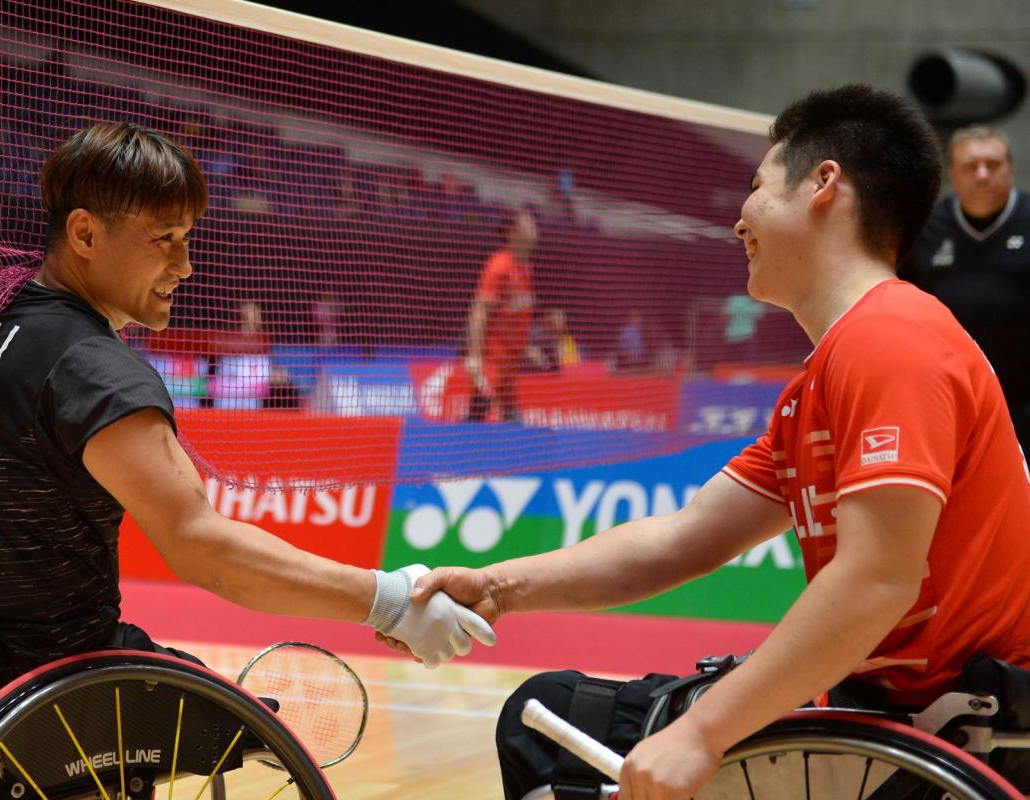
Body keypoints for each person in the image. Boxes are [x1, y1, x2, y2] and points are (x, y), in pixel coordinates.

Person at [392, 86, 1030, 800]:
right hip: (891, 718)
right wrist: (497, 588)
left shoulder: (892, 340)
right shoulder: (815, 388)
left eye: (756, 188)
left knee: (546, 728)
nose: (737, 222)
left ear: (824, 184)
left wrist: (703, 733)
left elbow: (877, 581)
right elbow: (685, 538)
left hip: (942, 739)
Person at [0, 122, 494, 797]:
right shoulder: (93, 367)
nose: (185, 265)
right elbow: (201, 546)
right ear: (86, 235)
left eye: (189, 239)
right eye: (165, 239)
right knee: (235, 721)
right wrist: (389, 602)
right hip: (41, 708)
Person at [900, 125, 1030, 454]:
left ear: (1011, 168)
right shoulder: (925, 229)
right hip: (952, 404)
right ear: (953, 175)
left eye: (993, 164)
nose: (983, 175)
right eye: (971, 166)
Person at [466, 209, 537, 422]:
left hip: (512, 362)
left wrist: (527, 347)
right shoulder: (499, 265)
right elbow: (479, 312)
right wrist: (474, 356)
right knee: (478, 414)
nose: (535, 228)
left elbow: (517, 316)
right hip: (493, 358)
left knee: (512, 418)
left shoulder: (525, 267)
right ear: (511, 233)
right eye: (528, 224)